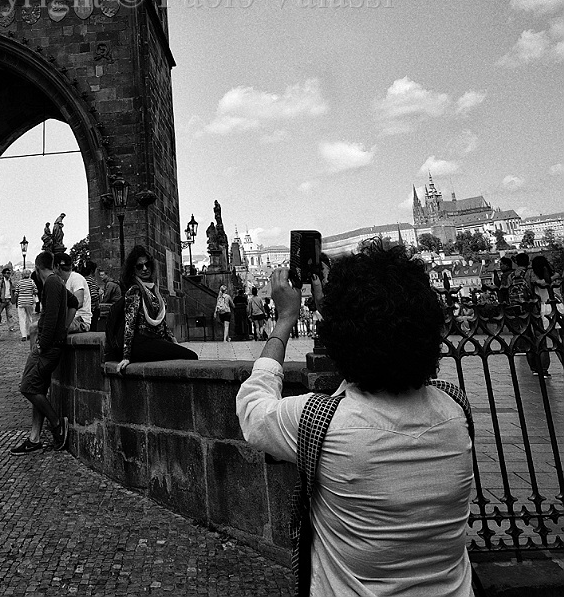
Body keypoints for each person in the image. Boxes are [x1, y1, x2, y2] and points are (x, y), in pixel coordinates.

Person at [236, 243, 475, 597]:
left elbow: (253, 405)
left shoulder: (323, 422)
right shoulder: (455, 410)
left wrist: (286, 319)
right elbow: (381, 359)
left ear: (341, 337)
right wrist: (334, 318)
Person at [12, 251, 77, 453]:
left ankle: (57, 424)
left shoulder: (50, 283)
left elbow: (48, 320)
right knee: (38, 389)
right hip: (54, 345)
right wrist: (63, 328)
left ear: (38, 268)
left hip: (47, 348)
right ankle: (34, 438)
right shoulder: (58, 282)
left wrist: (42, 344)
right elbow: (74, 303)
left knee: (27, 387)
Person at [105, 245, 197, 368]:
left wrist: (173, 341)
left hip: (153, 340)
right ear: (133, 270)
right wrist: (126, 357)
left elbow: (161, 322)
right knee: (190, 356)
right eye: (139, 266)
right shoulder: (135, 290)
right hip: (140, 343)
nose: (144, 268)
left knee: (187, 355)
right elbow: (129, 324)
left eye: (147, 264)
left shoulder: (153, 290)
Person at [55, 252, 92, 333]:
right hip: (72, 319)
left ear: (57, 267)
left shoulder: (76, 278)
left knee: (49, 329)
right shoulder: (63, 281)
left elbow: (79, 302)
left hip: (80, 320)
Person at [16, 270, 38, 341]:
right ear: (29, 274)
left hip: (21, 302)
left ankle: (23, 335)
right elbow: (36, 291)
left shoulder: (19, 282)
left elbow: (16, 293)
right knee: (29, 318)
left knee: (22, 319)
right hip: (29, 302)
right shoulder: (31, 282)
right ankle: (29, 333)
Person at [0, 267, 16, 332]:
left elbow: (13, 289)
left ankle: (11, 327)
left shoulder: (10, 281)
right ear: (3, 274)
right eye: (7, 273)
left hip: (9, 299)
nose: (9, 274)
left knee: (10, 314)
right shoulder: (1, 282)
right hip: (2, 300)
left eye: (9, 273)